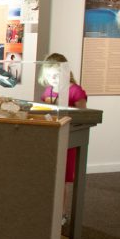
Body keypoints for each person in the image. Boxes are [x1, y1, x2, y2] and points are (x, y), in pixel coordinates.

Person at [39, 53, 88, 201]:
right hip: (51, 138)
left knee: (61, 180)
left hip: (68, 139)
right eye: (49, 75)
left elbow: (83, 117)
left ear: (65, 73)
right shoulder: (48, 90)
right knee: (49, 177)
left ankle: (61, 214)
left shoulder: (75, 91)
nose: (52, 79)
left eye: (56, 75)